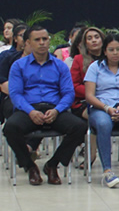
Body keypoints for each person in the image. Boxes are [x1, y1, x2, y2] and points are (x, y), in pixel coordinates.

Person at [4, 26, 87, 186]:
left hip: (54, 108)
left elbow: (69, 93)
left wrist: (57, 110)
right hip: (29, 109)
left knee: (79, 127)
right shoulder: (19, 66)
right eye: (37, 39)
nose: (42, 42)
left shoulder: (60, 66)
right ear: (28, 43)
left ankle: (52, 165)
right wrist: (30, 111)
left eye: (45, 39)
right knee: (10, 128)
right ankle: (30, 166)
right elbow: (15, 94)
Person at [84, 35, 119, 188]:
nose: (115, 53)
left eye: (118, 49)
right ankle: (107, 171)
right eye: (111, 50)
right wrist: (107, 108)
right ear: (105, 51)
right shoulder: (95, 67)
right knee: (103, 123)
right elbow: (89, 95)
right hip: (101, 107)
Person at [70, 26, 105, 119]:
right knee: (101, 117)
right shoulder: (78, 59)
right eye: (89, 38)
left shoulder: (111, 59)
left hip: (109, 99)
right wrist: (94, 93)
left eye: (97, 37)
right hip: (84, 102)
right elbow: (74, 85)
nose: (94, 40)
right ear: (85, 43)